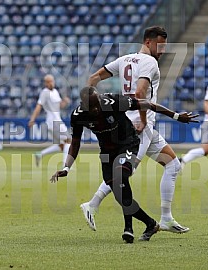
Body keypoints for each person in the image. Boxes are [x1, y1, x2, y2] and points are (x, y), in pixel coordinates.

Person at [50, 86, 198, 243]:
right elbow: (75, 142)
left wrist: (176, 116)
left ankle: (129, 228)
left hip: (128, 143)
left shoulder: (114, 101)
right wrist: (66, 167)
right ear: (83, 104)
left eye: (97, 104)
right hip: (107, 152)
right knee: (121, 195)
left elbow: (147, 104)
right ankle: (150, 224)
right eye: (91, 107)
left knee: (121, 176)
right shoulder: (78, 116)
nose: (95, 109)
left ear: (100, 99)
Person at [80, 26, 191, 233]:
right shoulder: (150, 62)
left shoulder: (125, 59)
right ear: (148, 42)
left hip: (132, 122)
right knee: (123, 173)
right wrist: (142, 120)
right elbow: (140, 91)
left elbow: (93, 78)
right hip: (140, 127)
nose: (162, 50)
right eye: (160, 45)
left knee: (173, 165)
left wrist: (96, 105)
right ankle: (92, 205)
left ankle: (166, 218)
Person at [28, 74, 71, 167]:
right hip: (54, 121)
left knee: (61, 145)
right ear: (46, 83)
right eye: (49, 81)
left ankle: (40, 154)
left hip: (54, 122)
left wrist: (65, 101)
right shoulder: (45, 92)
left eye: (52, 81)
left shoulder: (55, 91)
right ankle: (65, 165)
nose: (51, 83)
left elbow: (60, 106)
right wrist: (32, 119)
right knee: (69, 140)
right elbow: (39, 106)